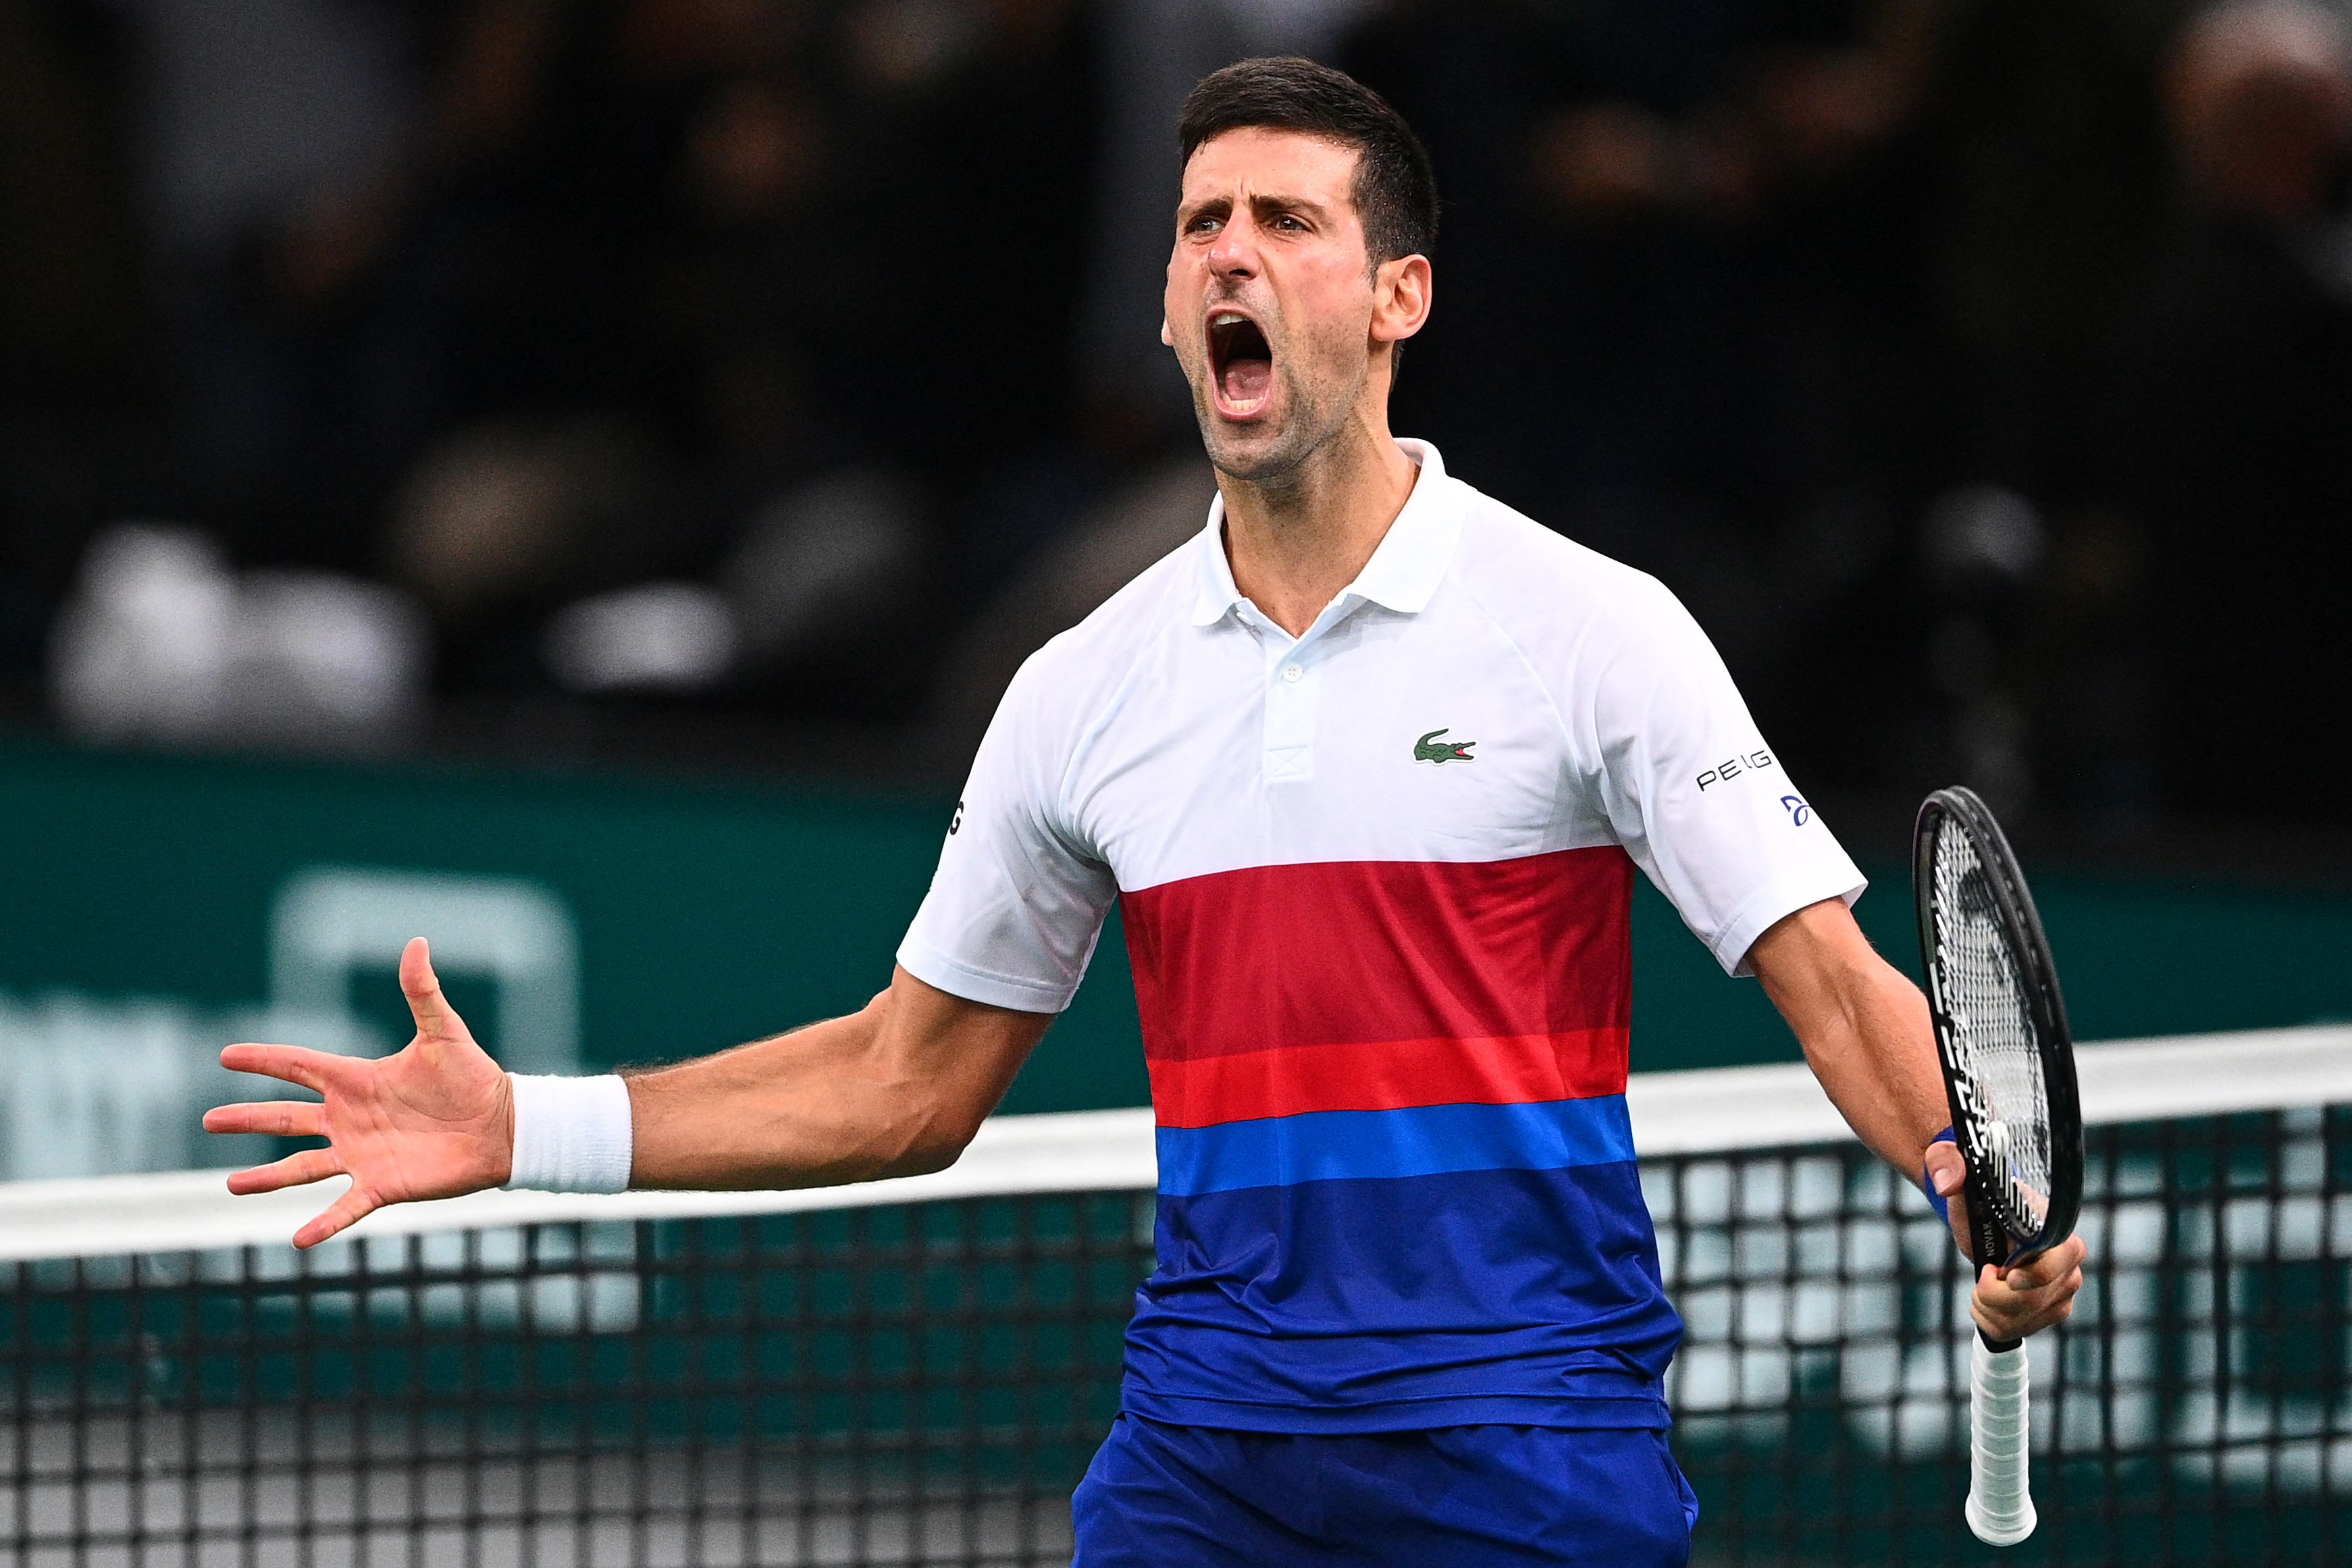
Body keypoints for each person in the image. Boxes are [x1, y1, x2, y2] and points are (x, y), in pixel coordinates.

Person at [207, 57, 2087, 1567]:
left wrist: (1971, 1177)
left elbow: (1828, 976)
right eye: (1200, 226)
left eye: (1284, 220)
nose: (1227, 259)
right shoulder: (1080, 686)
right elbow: (901, 1078)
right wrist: (520, 1120)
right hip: (1206, 1472)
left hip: (1524, 1460)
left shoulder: (1591, 633)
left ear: (1397, 295)